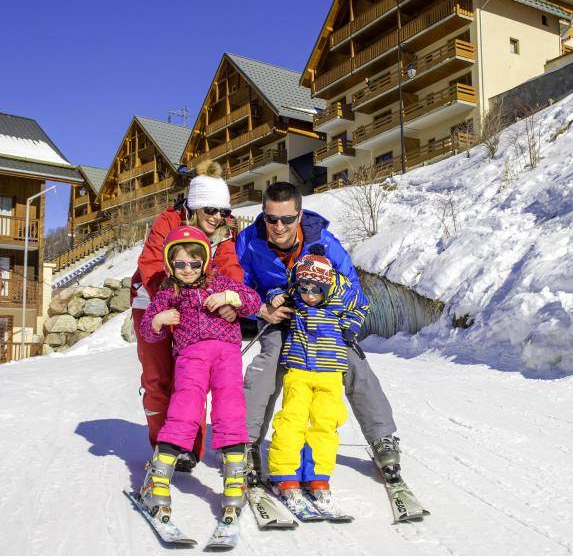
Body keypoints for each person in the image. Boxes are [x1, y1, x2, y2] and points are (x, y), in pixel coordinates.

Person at [235, 181, 402, 483]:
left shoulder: (323, 242)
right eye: (271, 218)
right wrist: (262, 309)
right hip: (277, 317)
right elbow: (235, 288)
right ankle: (246, 443)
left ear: (299, 215)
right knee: (268, 363)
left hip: (322, 320)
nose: (278, 226)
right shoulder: (249, 240)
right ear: (264, 215)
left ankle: (382, 438)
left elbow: (353, 290)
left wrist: (339, 319)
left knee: (352, 361)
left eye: (286, 219)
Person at [137, 225, 260, 522]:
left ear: (205, 261)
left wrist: (231, 297)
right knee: (184, 410)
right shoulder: (168, 293)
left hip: (226, 354)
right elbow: (147, 331)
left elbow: (253, 300)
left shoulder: (219, 284)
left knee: (230, 410)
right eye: (180, 264)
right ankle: (158, 477)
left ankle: (235, 479)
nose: (188, 270)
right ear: (170, 265)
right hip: (190, 357)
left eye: (194, 263)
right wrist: (157, 321)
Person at [131, 160, 242, 472]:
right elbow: (152, 263)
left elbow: (231, 268)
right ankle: (162, 447)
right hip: (154, 299)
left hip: (194, 304)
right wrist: (169, 304)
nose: (218, 217)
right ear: (195, 206)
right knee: (158, 377)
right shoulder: (168, 221)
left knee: (193, 375)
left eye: (223, 211)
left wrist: (231, 300)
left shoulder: (222, 234)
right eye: (211, 210)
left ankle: (189, 448)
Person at [265, 245, 369, 509]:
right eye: (304, 289)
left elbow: (362, 305)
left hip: (331, 372)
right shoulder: (296, 292)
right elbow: (277, 291)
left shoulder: (341, 293)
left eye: (315, 290)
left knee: (325, 423)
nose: (309, 295)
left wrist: (350, 326)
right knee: (292, 421)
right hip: (299, 370)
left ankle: (317, 476)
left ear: (326, 287)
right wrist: (277, 296)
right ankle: (285, 474)